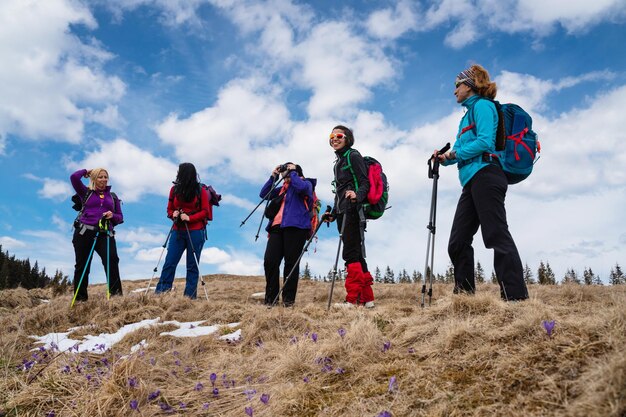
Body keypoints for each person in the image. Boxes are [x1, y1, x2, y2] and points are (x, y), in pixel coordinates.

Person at [435, 64, 528, 301]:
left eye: (457, 85)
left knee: (495, 234)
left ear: (469, 85)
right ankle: (465, 297)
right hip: (471, 181)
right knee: (457, 241)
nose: (454, 91)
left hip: (487, 175)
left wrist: (454, 155)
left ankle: (515, 298)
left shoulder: (483, 107)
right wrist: (443, 158)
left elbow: (486, 142)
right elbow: (459, 151)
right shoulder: (466, 116)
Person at [327, 125, 375, 308]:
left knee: (350, 253)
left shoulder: (353, 156)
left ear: (347, 138)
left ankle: (354, 299)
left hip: (353, 211)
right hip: (342, 211)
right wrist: (332, 214)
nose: (334, 138)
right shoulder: (339, 162)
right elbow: (339, 191)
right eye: (332, 136)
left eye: (339, 135)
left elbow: (365, 182)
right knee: (355, 253)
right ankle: (367, 299)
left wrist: (357, 195)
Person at [260, 162, 316, 307]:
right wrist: (273, 176)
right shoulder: (281, 189)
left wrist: (293, 172)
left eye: (290, 167)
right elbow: (264, 194)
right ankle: (270, 299)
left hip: (296, 227)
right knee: (270, 261)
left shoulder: (306, 183)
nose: (287, 169)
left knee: (291, 263)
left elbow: (302, 188)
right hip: (276, 227)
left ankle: (288, 301)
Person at [155, 163, 210, 299]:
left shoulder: (200, 190)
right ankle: (161, 294)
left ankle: (189, 298)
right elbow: (168, 209)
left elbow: (205, 212)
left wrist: (190, 218)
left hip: (196, 231)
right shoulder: (174, 190)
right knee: (170, 262)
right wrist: (172, 214)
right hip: (177, 230)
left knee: (192, 265)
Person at [70, 168, 124, 302]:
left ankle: (116, 298)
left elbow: (120, 217)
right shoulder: (86, 192)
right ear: (93, 179)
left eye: (106, 177)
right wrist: (86, 171)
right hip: (84, 232)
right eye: (100, 177)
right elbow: (74, 177)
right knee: (82, 266)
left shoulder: (113, 197)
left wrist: (112, 215)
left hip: (105, 233)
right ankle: (80, 300)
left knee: (112, 261)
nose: (104, 179)